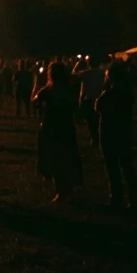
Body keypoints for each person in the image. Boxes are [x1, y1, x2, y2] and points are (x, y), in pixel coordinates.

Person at [34, 62, 83, 202]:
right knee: (68, 156)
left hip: (51, 126)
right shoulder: (70, 89)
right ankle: (72, 185)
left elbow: (35, 101)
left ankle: (62, 190)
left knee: (56, 158)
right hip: (67, 126)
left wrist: (37, 85)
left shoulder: (48, 91)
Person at [96, 61, 137, 209]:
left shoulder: (111, 92)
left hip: (110, 131)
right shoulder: (127, 91)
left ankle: (116, 196)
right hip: (124, 130)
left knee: (112, 166)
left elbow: (99, 106)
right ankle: (134, 198)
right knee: (127, 165)